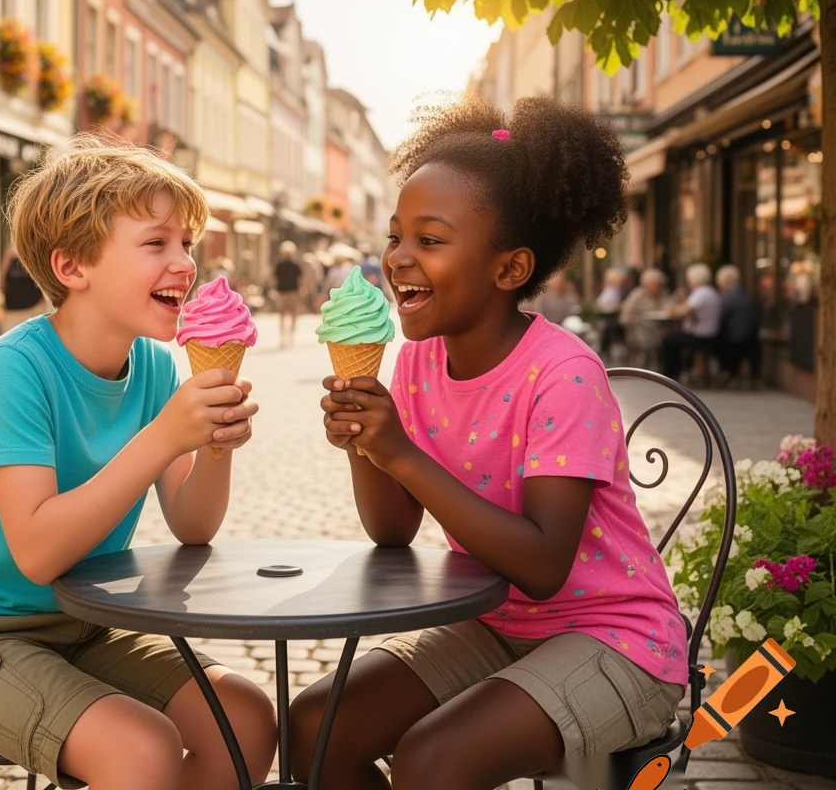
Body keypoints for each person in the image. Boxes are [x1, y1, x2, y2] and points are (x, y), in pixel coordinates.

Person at [289, 96, 687, 790]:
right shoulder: (416, 361)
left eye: (431, 240)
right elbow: (391, 529)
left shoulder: (563, 375)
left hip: (616, 641)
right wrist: (366, 443)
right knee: (314, 724)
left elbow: (542, 564)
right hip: (494, 623)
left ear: (509, 269)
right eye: (397, 236)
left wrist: (404, 455)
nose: (398, 259)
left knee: (433, 759)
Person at [0, 138, 276, 790]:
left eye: (187, 244)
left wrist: (214, 441)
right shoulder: (14, 369)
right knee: (143, 751)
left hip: (88, 627)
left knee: (245, 718)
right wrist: (162, 437)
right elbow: (38, 553)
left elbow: (192, 525)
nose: (185, 263)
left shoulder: (155, 365)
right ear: (73, 267)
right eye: (157, 244)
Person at [659, 262, 723, 383]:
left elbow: (685, 310)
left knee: (669, 340)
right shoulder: (710, 292)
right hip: (711, 335)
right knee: (674, 338)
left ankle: (671, 374)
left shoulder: (701, 293)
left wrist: (672, 310)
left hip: (702, 337)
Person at [715, 263, 761, 387]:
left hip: (735, 339)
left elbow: (721, 319)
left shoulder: (728, 297)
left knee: (714, 341)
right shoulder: (744, 294)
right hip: (750, 338)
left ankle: (727, 374)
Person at [619, 267, 673, 368]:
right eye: (652, 284)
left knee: (670, 341)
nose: (655, 287)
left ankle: (664, 371)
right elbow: (624, 317)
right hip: (639, 332)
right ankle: (644, 369)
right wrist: (636, 321)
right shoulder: (637, 295)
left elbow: (670, 309)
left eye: (657, 284)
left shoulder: (663, 294)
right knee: (645, 343)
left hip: (659, 332)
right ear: (645, 284)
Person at [0, 245, 48, 332]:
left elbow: (2, 282)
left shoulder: (13, 253)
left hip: (28, 306)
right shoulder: (12, 253)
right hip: (18, 307)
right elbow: (2, 282)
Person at [273, 240, 304, 348]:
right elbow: (275, 278)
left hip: (293, 292)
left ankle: (291, 335)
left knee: (293, 314)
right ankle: (283, 336)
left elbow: (300, 279)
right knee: (282, 314)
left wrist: (301, 289)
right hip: (282, 292)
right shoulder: (280, 265)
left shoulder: (296, 265)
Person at [593, 266, 624, 362]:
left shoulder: (615, 291)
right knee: (605, 330)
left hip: (612, 316)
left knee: (608, 329)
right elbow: (600, 303)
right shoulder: (609, 290)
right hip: (605, 315)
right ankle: (604, 350)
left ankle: (605, 350)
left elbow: (615, 305)